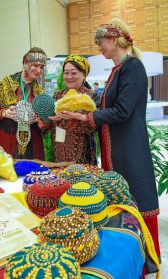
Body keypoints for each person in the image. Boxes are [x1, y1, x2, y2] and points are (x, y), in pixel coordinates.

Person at [49, 19, 160, 259]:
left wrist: (83, 117)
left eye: (101, 43)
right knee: (119, 197)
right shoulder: (118, 70)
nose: (100, 48)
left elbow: (123, 111)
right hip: (115, 147)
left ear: (113, 40)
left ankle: (146, 258)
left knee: (135, 196)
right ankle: (129, 256)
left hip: (129, 148)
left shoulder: (133, 67)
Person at [0, 47, 47, 160]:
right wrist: (4, 113)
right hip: (8, 142)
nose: (39, 70)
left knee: (32, 176)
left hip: (33, 147)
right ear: (25, 63)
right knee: (7, 175)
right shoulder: (6, 83)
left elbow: (47, 123)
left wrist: (39, 119)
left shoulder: (41, 92)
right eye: (35, 65)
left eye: (42, 67)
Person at [47, 54, 97, 165]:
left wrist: (71, 118)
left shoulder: (91, 96)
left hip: (83, 154)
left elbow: (95, 125)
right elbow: (48, 125)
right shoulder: (57, 95)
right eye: (66, 73)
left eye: (73, 73)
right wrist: (46, 118)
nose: (69, 77)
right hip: (59, 151)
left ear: (84, 75)